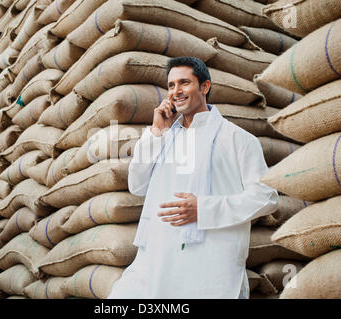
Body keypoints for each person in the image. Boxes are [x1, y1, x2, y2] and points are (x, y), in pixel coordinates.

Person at [107, 56, 279, 299]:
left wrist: (204, 209)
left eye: (184, 83)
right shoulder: (163, 138)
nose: (176, 91)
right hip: (156, 259)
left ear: (205, 87)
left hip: (209, 265)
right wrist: (156, 131)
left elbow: (267, 196)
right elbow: (137, 185)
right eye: (171, 85)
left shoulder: (238, 140)